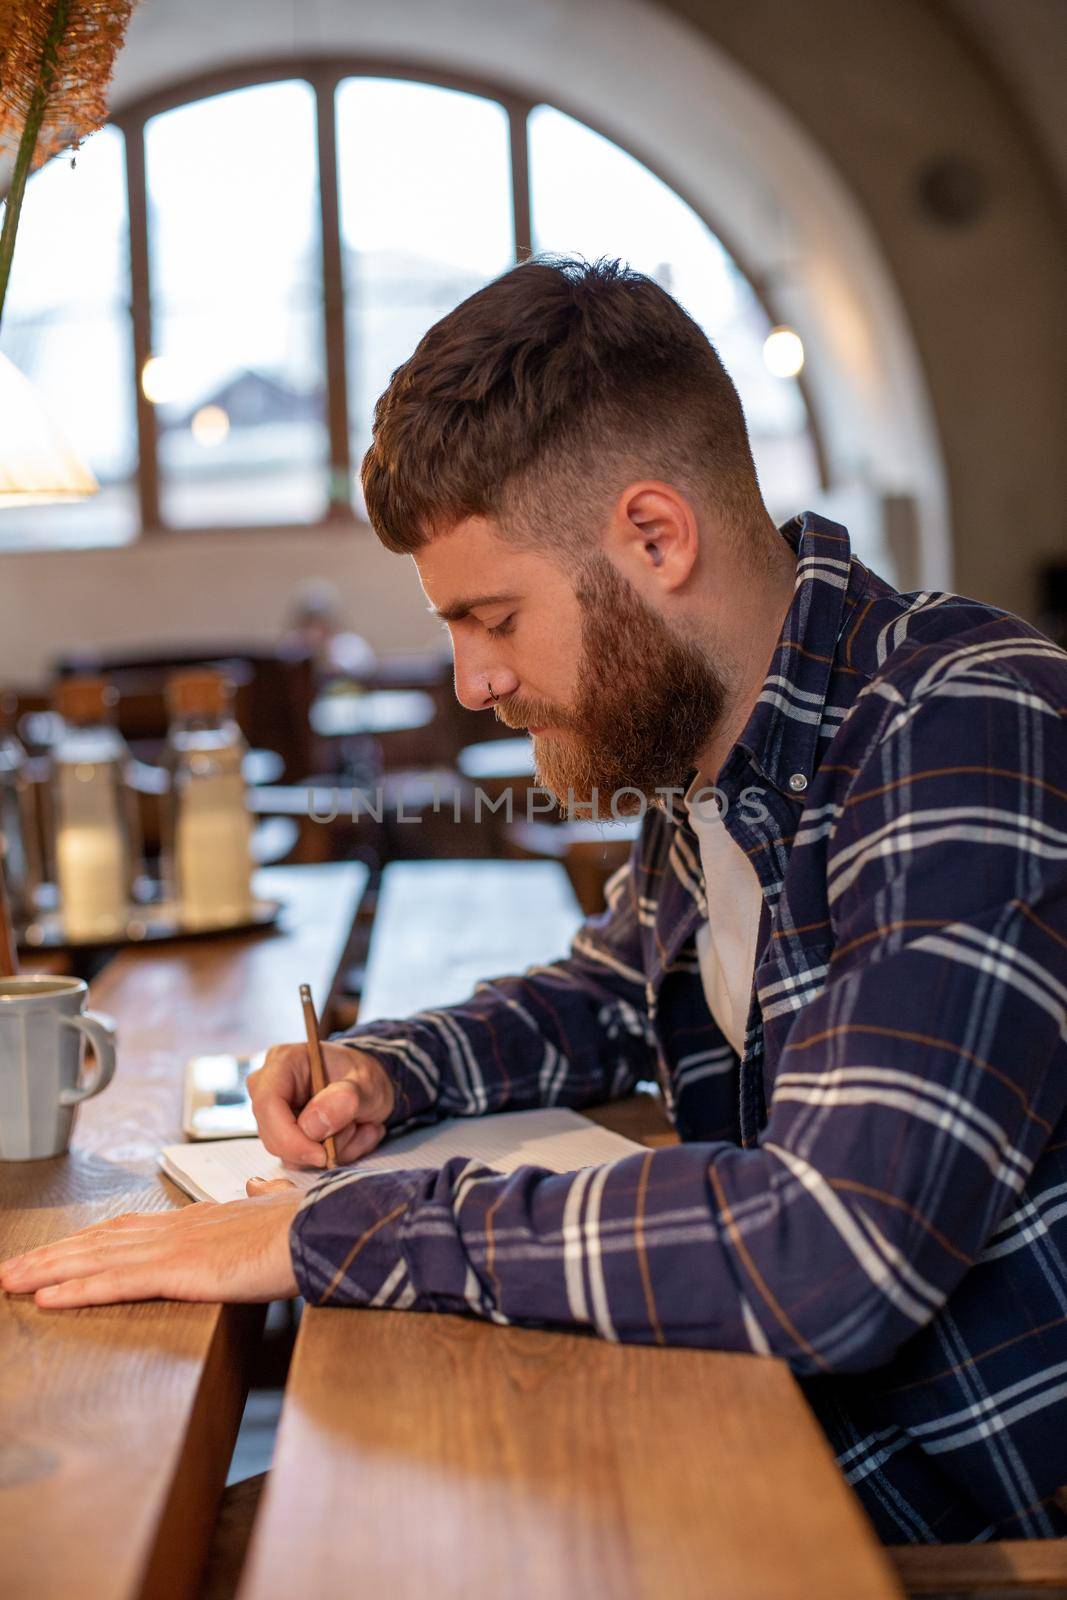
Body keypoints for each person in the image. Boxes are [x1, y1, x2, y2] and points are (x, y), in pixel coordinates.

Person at [4, 258, 1067, 1546]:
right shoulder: (719, 745)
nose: (470, 682)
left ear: (655, 537)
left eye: (492, 616)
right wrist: (395, 1070)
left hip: (952, 1508)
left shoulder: (963, 722)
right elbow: (617, 991)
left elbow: (834, 1249)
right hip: (756, 1410)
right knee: (259, 1532)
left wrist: (354, 1227)